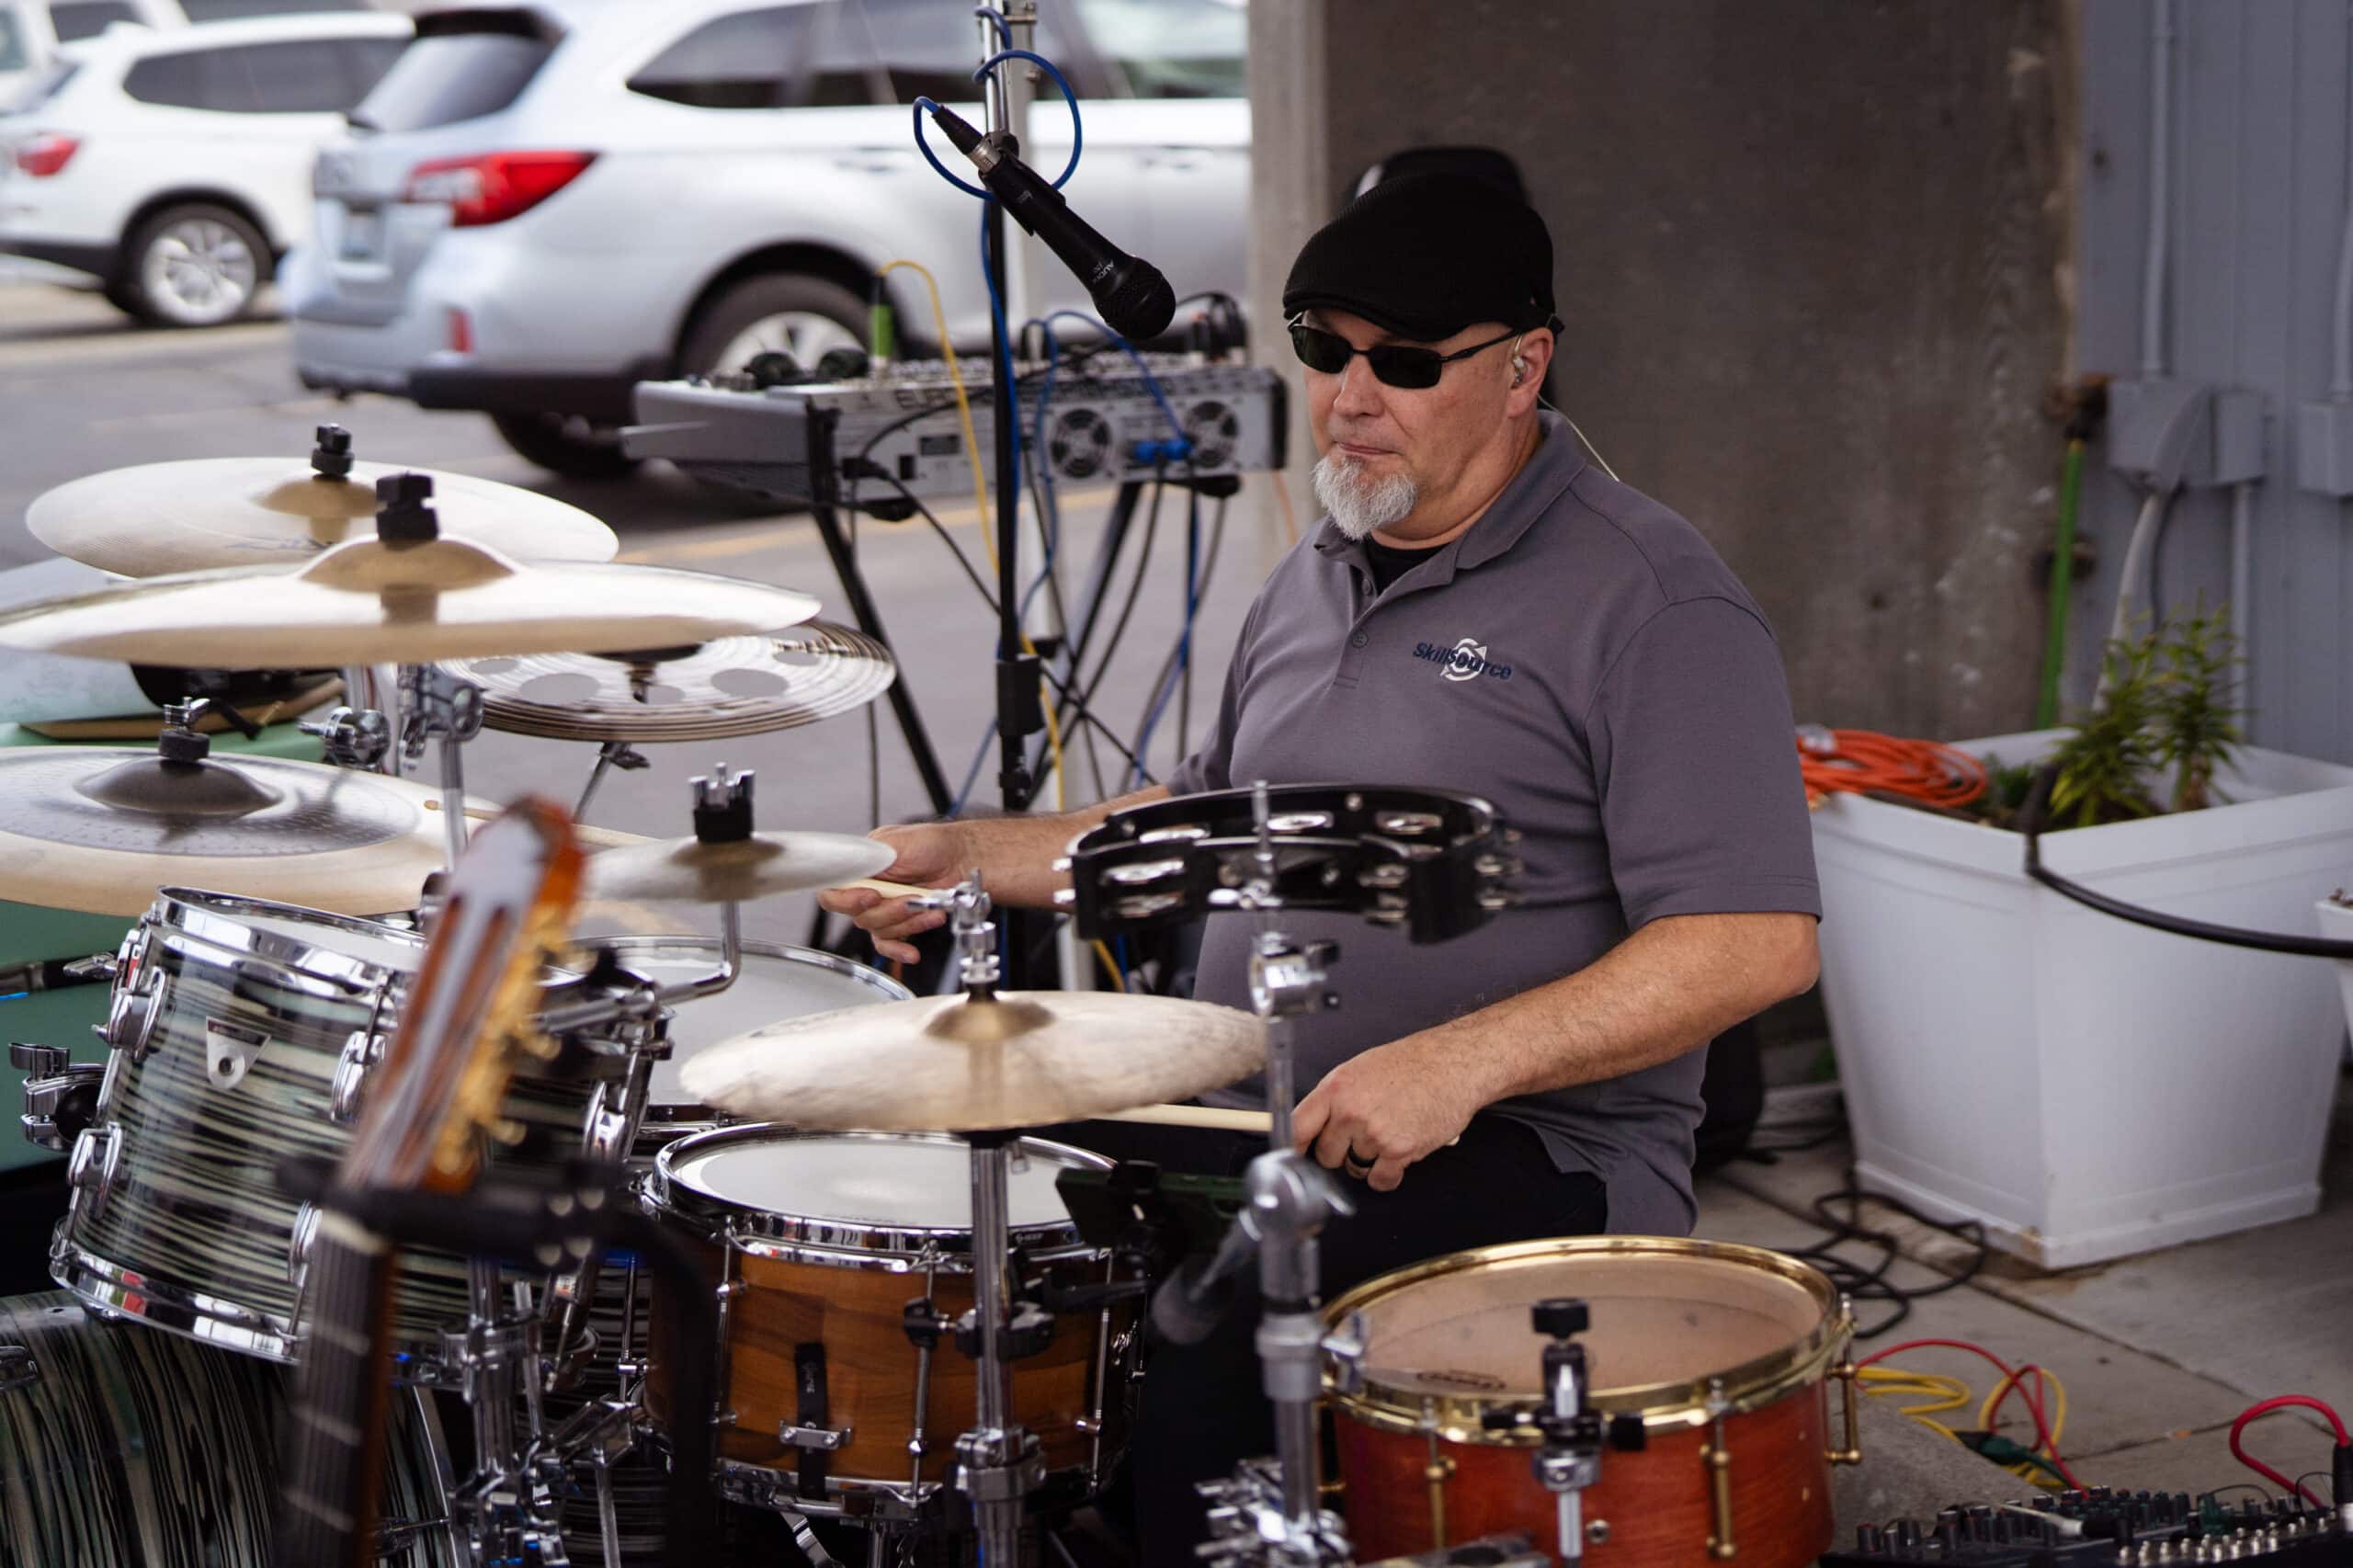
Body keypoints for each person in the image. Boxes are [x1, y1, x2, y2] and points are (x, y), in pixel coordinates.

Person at [819, 171, 1822, 1562]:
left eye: (1404, 361)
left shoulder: (1655, 602)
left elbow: (1754, 939)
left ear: (1524, 366)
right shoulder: (1317, 567)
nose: (1351, 396)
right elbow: (1201, 826)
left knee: (1211, 1349)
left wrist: (1454, 1064)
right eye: (1323, 347)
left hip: (1535, 1151)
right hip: (1254, 1119)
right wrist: (966, 855)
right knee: (963, 1231)